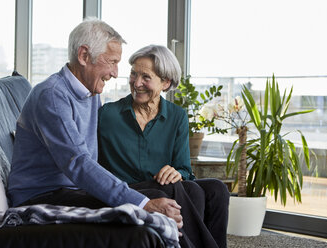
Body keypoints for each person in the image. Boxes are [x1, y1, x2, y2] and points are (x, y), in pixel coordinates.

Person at [7, 17, 183, 235]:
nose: (117, 73)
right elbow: (78, 163)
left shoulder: (90, 92)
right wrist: (144, 204)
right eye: (112, 62)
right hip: (41, 197)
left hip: (74, 190)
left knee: (174, 189)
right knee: (148, 206)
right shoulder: (52, 96)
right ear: (84, 56)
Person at [98, 45, 230, 248]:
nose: (137, 83)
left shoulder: (177, 116)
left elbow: (185, 169)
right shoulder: (107, 114)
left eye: (146, 77)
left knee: (216, 189)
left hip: (166, 186)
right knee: (187, 190)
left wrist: (175, 172)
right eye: (134, 74)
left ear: (166, 83)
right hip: (128, 190)